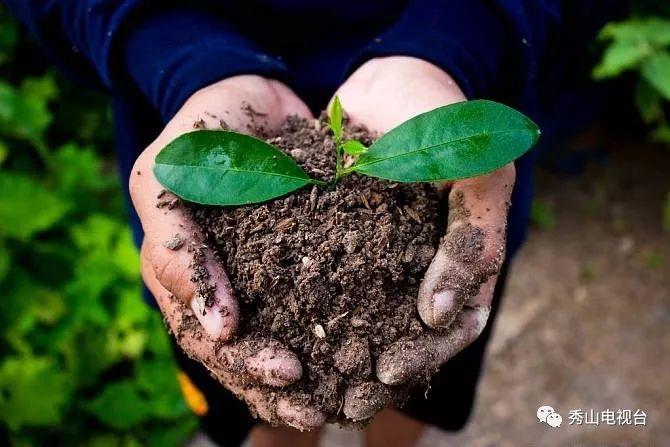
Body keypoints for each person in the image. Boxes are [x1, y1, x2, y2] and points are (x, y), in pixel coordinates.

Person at [4, 1, 624, 446]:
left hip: (447, 154)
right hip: (199, 139)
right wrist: (181, 55)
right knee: (263, 401)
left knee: (424, 363)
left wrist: (459, 38)